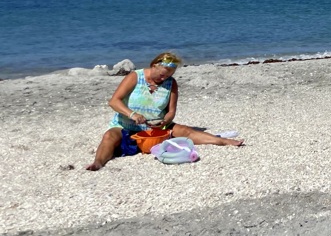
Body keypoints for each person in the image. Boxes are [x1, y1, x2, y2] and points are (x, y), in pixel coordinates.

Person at [85, 52, 243, 171]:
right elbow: (114, 101)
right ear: (154, 65)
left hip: (155, 127)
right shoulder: (135, 76)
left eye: (168, 76)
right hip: (125, 125)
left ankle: (223, 141)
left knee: (186, 131)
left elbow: (171, 111)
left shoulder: (171, 83)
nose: (163, 79)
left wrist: (166, 120)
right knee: (109, 136)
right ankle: (98, 162)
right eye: (162, 75)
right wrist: (132, 115)